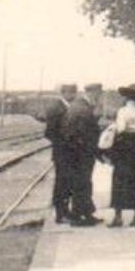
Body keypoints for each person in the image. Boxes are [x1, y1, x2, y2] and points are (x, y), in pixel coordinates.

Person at [105, 84, 135, 227]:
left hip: (124, 148)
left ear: (126, 98)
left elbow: (120, 128)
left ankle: (118, 217)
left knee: (120, 181)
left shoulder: (123, 111)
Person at [63, 83, 102, 226]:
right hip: (80, 154)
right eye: (98, 94)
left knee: (84, 183)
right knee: (81, 184)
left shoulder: (78, 106)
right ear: (92, 93)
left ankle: (86, 213)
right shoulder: (83, 108)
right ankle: (77, 217)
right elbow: (85, 133)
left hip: (77, 153)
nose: (98, 98)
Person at [44, 84, 76, 223]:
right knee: (62, 183)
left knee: (67, 183)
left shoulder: (69, 107)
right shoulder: (56, 108)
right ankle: (60, 214)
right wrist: (64, 144)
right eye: (70, 92)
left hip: (68, 153)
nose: (73, 95)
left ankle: (65, 211)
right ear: (62, 93)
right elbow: (49, 133)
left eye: (74, 92)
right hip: (62, 153)